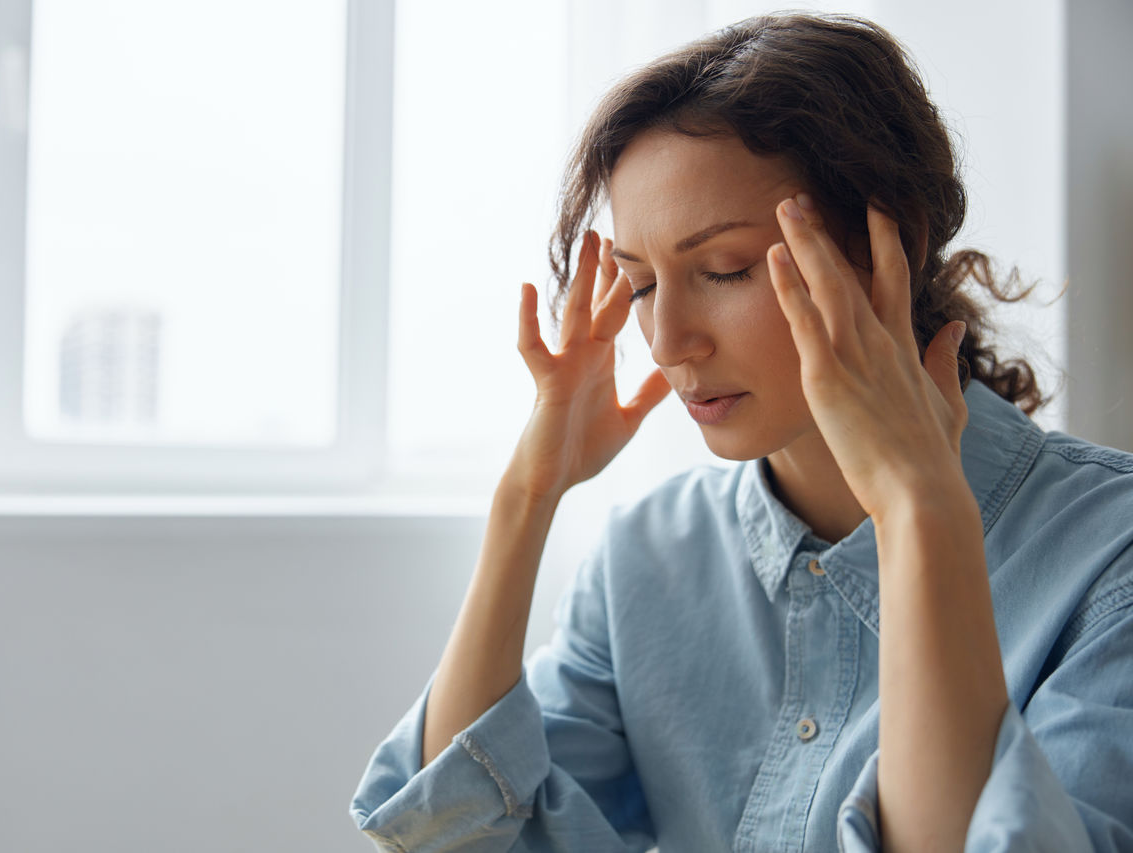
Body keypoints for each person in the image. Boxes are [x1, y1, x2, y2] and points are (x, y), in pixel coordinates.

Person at [349, 12, 1133, 852]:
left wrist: (921, 512)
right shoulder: (647, 559)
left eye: (723, 270)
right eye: (642, 285)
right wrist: (527, 496)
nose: (667, 340)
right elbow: (455, 836)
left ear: (883, 248)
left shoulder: (1107, 551)